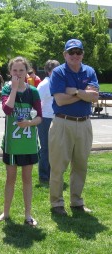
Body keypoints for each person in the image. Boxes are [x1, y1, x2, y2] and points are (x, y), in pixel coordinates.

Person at [49, 39, 99, 216]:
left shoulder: (89, 71)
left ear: (83, 54)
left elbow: (94, 97)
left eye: (78, 52)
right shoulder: (59, 72)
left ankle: (76, 201)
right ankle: (56, 203)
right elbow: (60, 100)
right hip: (63, 122)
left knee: (81, 165)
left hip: (84, 123)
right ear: (65, 55)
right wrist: (84, 94)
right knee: (58, 166)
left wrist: (75, 91)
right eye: (72, 52)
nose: (75, 55)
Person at [0, 56, 42, 226]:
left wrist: (29, 122)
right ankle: (6, 213)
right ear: (10, 72)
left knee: (27, 179)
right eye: (15, 70)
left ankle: (28, 215)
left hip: (28, 143)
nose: (18, 73)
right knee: (10, 179)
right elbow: (7, 109)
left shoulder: (33, 91)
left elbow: (40, 117)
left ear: (27, 71)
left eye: (21, 70)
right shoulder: (6, 89)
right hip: (12, 144)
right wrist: (13, 89)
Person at [37, 60, 60, 185]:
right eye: (54, 71)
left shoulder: (59, 82)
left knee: (55, 148)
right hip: (45, 119)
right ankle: (44, 175)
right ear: (48, 71)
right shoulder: (43, 85)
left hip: (57, 118)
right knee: (45, 147)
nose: (57, 73)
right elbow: (36, 103)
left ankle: (53, 173)